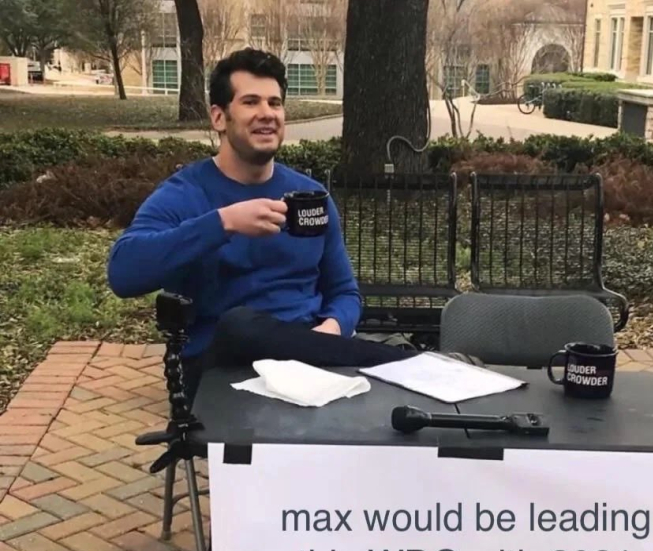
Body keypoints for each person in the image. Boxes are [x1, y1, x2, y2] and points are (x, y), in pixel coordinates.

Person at [107, 48, 429, 403]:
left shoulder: (311, 197)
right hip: (222, 370)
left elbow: (344, 292)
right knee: (240, 324)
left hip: (313, 362)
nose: (267, 113)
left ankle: (417, 372)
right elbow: (124, 273)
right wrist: (224, 222)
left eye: (275, 103)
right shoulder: (185, 194)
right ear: (219, 117)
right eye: (251, 102)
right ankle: (417, 365)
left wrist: (332, 329)